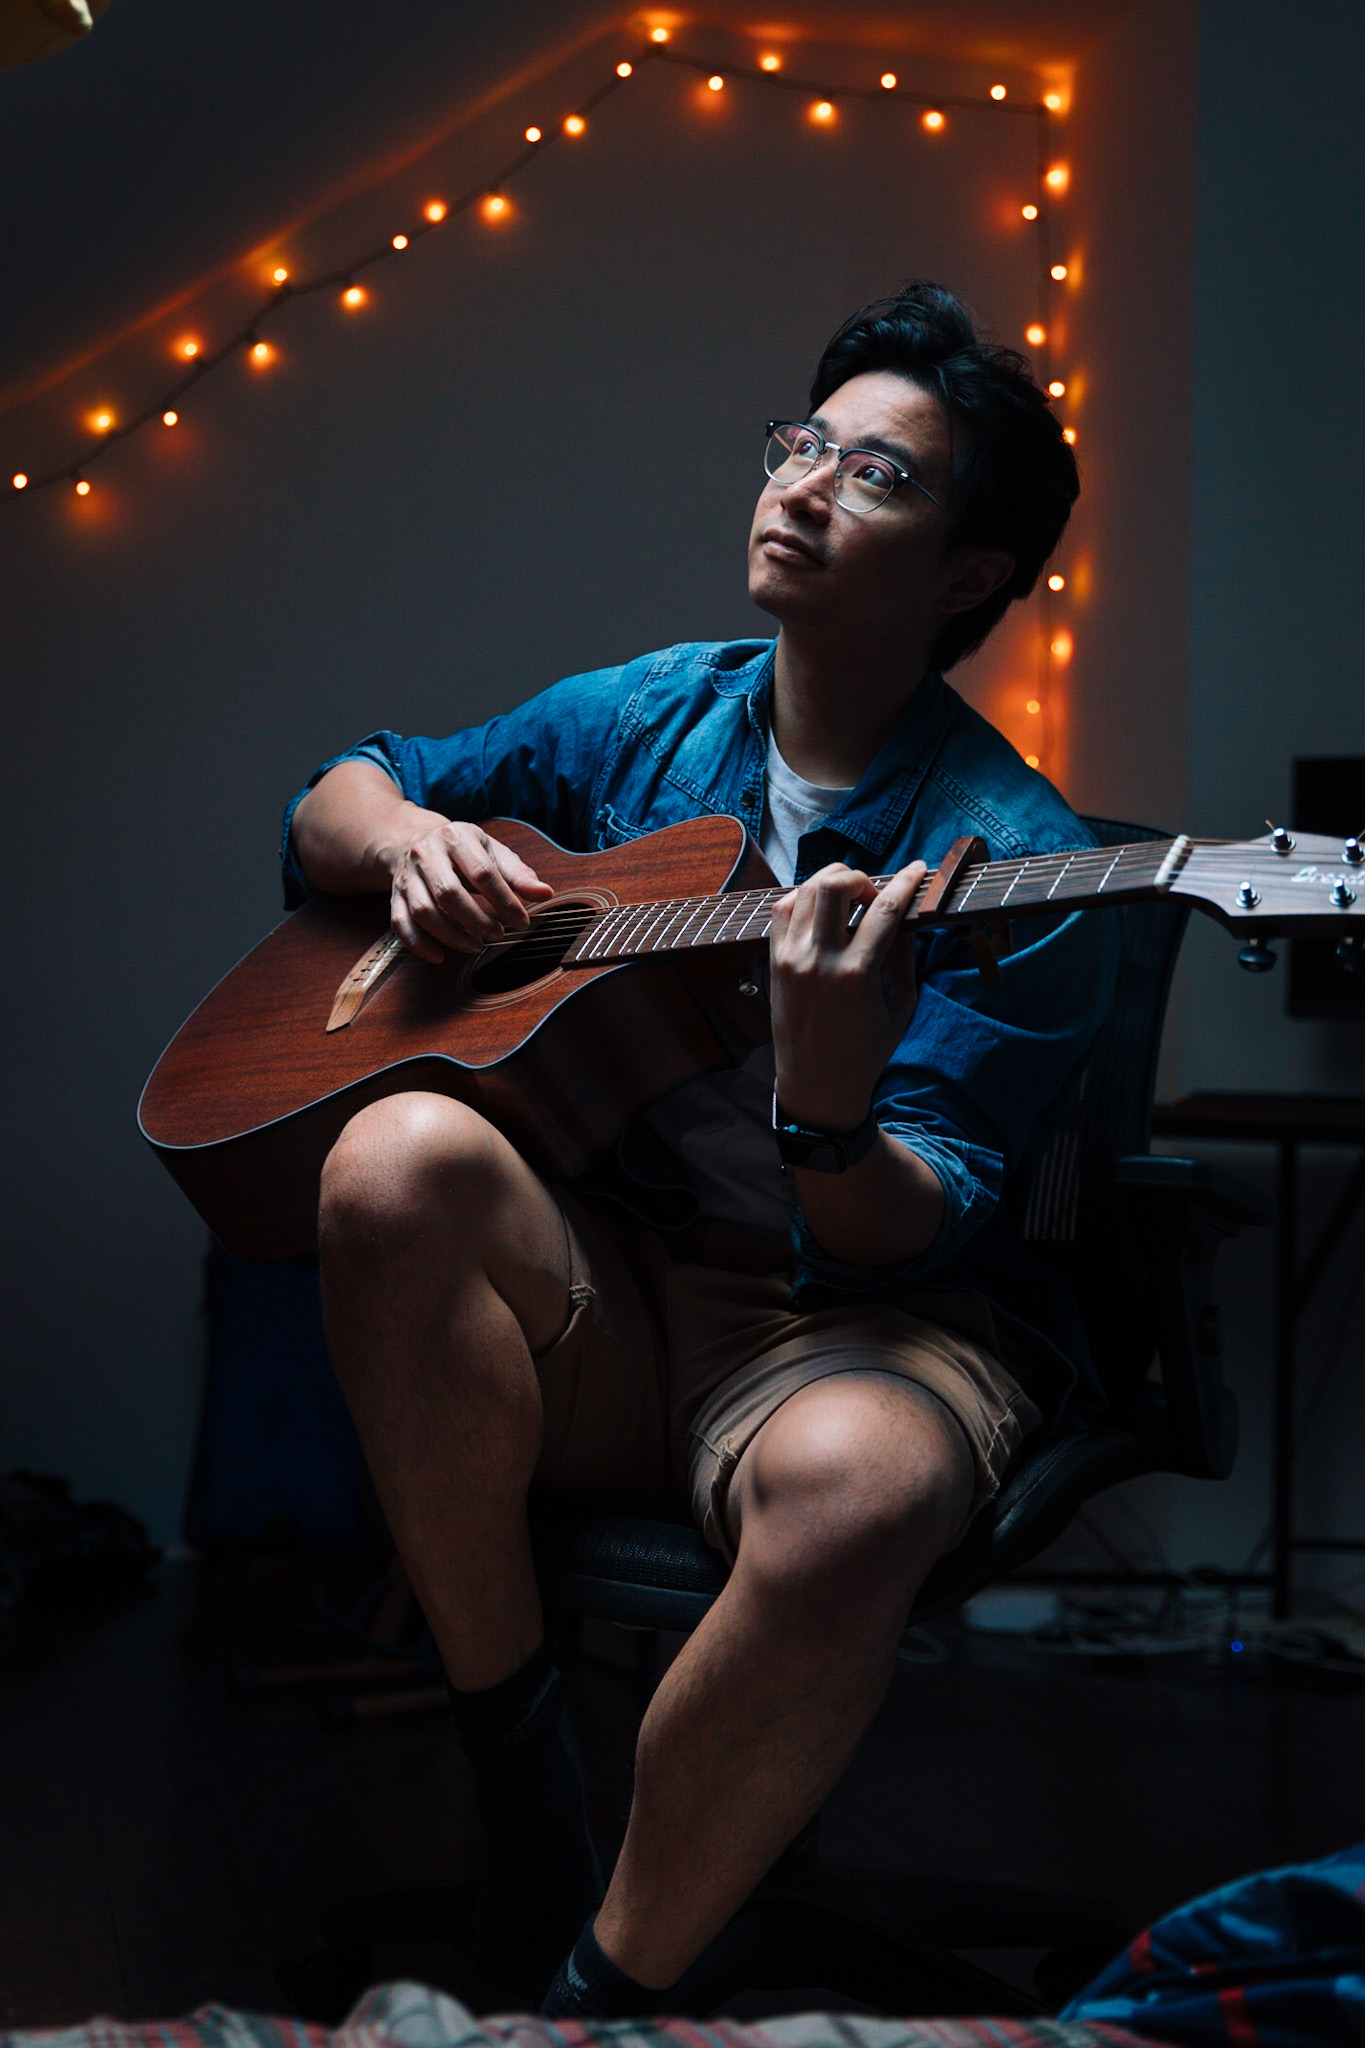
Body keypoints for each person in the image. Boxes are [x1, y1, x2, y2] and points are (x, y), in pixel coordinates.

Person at [284, 281, 1118, 2017]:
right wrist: (415, 843)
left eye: (876, 479)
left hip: (849, 1327)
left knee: (859, 1489)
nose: (802, 487)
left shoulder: (1011, 860)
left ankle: (596, 1991)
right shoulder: (648, 715)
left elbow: (904, 1238)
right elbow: (342, 790)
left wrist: (824, 1101)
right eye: (800, 446)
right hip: (609, 1271)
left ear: (968, 574)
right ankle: (522, 1774)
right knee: (388, 1157)